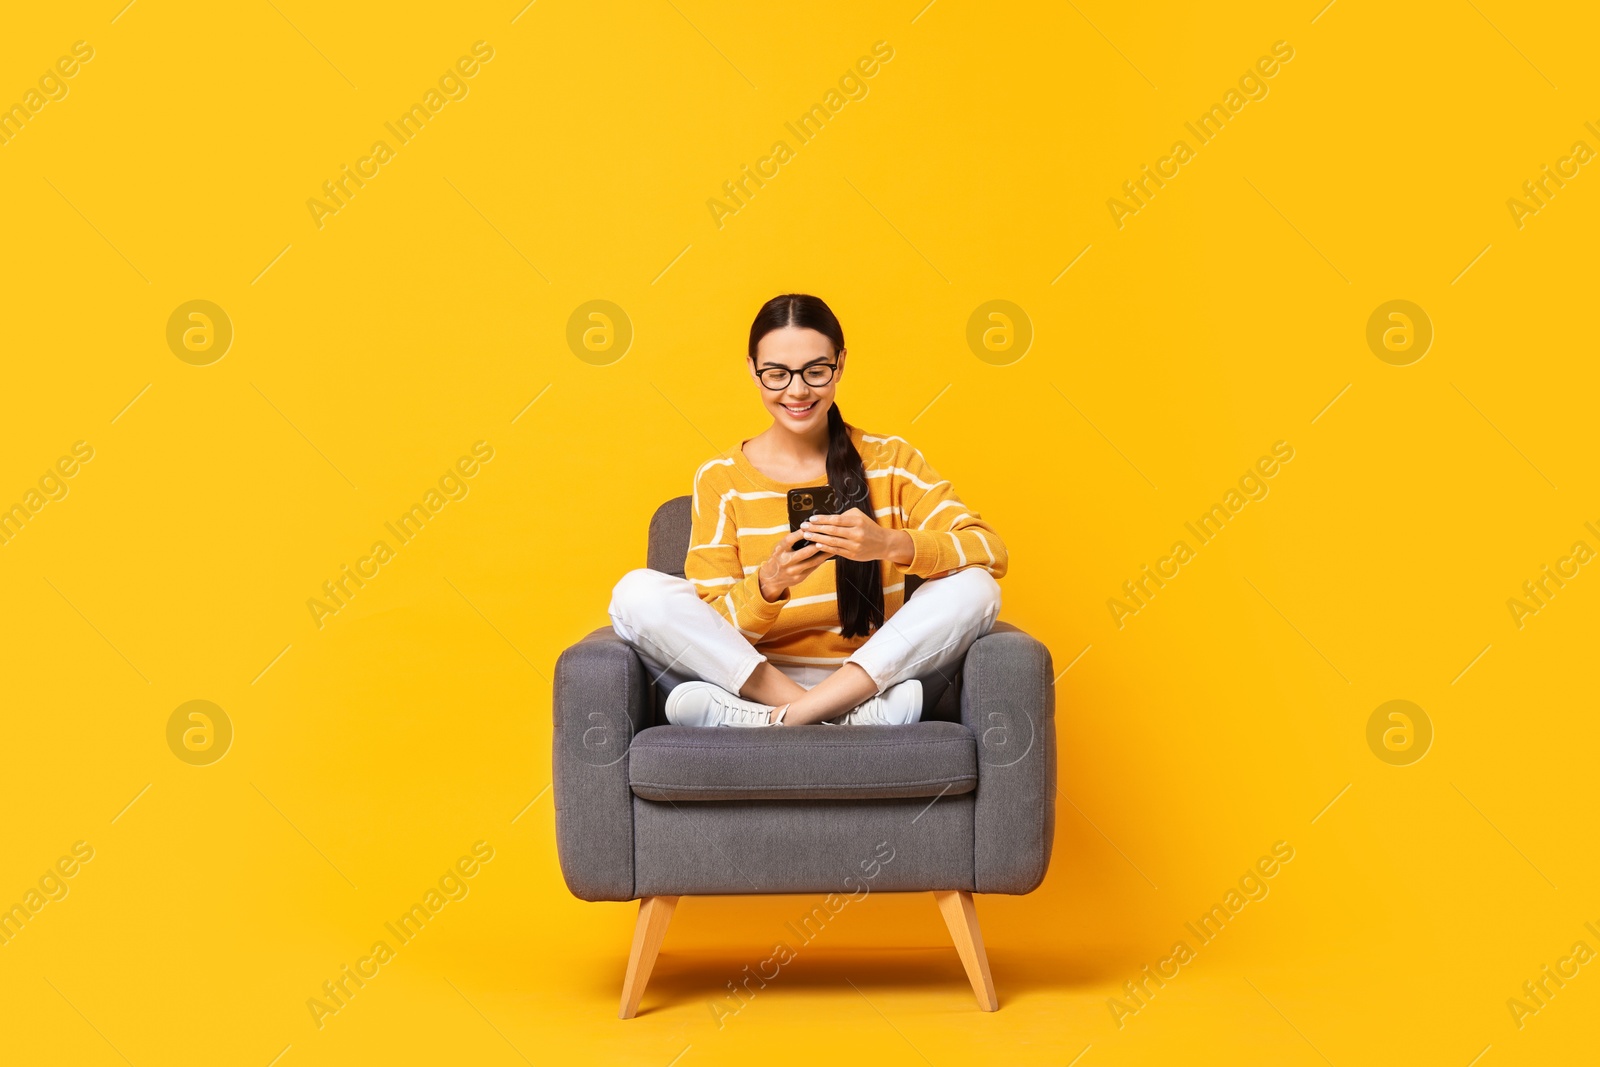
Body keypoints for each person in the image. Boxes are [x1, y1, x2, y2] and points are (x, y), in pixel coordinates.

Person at [608, 293, 1005, 727]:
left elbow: (989, 549)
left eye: (816, 371)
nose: (797, 391)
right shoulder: (721, 478)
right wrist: (768, 584)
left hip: (871, 674)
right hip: (754, 677)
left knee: (978, 588)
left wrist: (888, 543)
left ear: (840, 364)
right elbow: (713, 629)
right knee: (635, 594)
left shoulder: (891, 461)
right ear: (753, 372)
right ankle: (831, 717)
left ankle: (781, 720)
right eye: (777, 374)